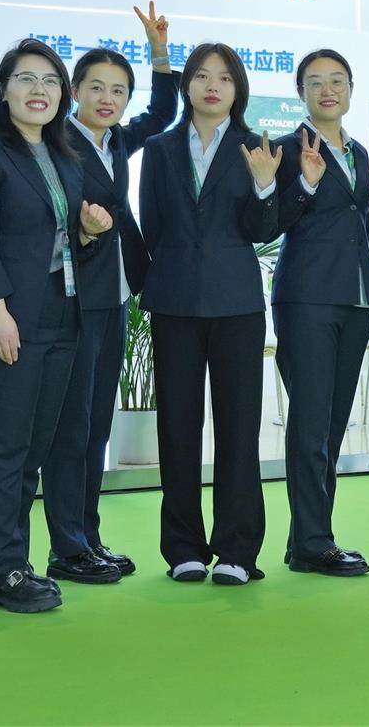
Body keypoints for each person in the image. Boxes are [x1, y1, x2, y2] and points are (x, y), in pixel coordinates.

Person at [0, 39, 115, 614]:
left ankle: (13, 565)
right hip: (10, 318)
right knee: (5, 447)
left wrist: (89, 233)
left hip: (63, 314)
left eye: (50, 81)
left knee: (34, 449)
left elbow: (61, 238)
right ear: (3, 91)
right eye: (26, 79)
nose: (39, 90)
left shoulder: (65, 156)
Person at [43, 6, 179, 585]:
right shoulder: (56, 141)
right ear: (73, 91)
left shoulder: (117, 139)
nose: (107, 98)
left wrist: (159, 53)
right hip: (75, 297)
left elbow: (164, 112)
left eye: (118, 90)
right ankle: (67, 547)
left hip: (116, 294)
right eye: (95, 87)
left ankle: (88, 537)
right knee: (73, 427)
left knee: (97, 423)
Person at [138, 42, 282, 585]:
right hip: (174, 301)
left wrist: (265, 185)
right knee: (177, 424)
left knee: (239, 426)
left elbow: (263, 231)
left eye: (224, 77)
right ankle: (183, 548)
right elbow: (151, 225)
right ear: (187, 85)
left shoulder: (257, 147)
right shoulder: (159, 148)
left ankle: (239, 550)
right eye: (201, 75)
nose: (212, 86)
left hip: (237, 303)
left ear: (238, 88)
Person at [271, 49, 369, 578]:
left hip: (355, 299)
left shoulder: (359, 151)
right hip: (307, 297)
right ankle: (316, 542)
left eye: (337, 80)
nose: (327, 90)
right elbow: (272, 220)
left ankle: (305, 538)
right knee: (310, 423)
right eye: (315, 82)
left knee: (332, 425)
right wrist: (306, 183)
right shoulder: (285, 149)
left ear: (351, 89)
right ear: (301, 93)